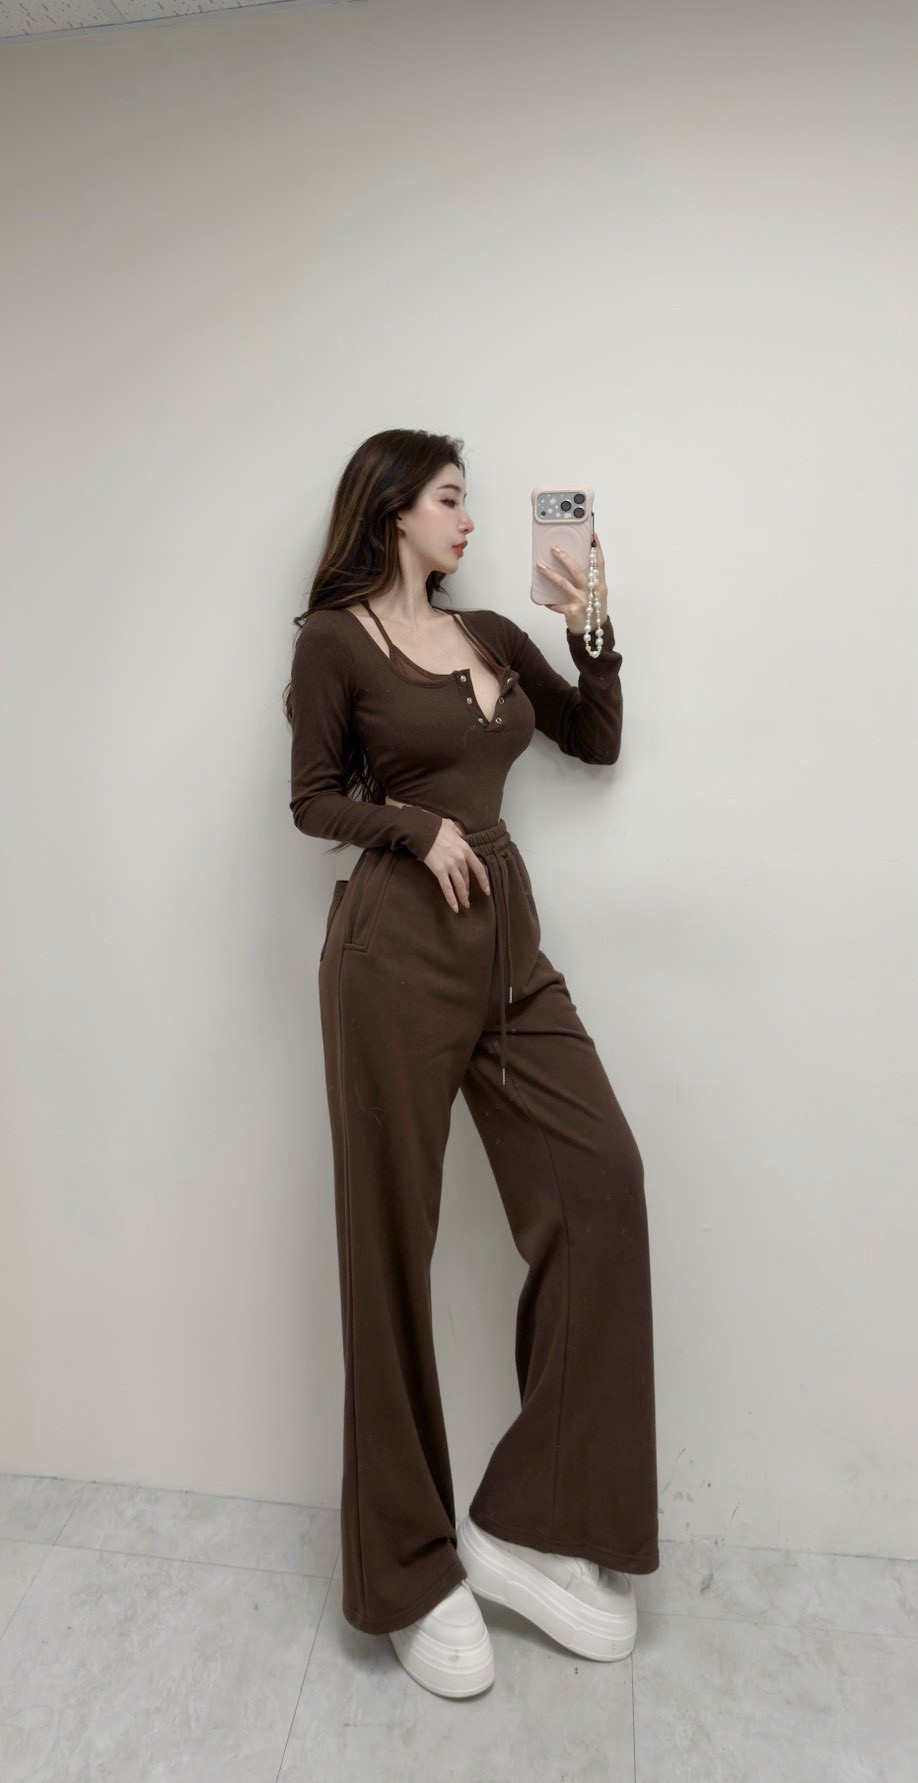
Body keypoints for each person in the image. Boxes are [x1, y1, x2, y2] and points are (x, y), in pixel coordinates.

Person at [284, 428, 659, 1699]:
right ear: (394, 508)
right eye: (452, 499)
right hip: (392, 958)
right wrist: (413, 823)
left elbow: (594, 739)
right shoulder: (335, 642)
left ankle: (528, 1520)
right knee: (389, 1253)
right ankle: (407, 1570)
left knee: (602, 1186)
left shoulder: (492, 633)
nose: (472, 520)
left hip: (509, 953)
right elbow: (310, 796)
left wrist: (589, 615)